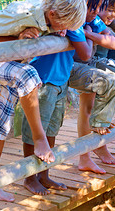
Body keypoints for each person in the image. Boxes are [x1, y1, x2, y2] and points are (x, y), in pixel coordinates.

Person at [0, 0, 87, 202]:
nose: (66, 30)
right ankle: (39, 138)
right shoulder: (22, 15)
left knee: (1, 119)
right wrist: (17, 39)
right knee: (29, 76)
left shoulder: (50, 12)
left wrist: (57, 28)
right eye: (66, 25)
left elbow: (55, 27)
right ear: (52, 13)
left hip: (8, 61)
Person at [21, 15, 93, 195]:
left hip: (61, 80)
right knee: (34, 131)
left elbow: (80, 54)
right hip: (44, 80)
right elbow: (85, 54)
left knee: (52, 130)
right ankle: (29, 178)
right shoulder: (58, 22)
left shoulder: (77, 25)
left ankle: (44, 174)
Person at [67, 0, 115, 174]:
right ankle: (86, 155)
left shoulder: (92, 21)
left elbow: (113, 42)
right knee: (87, 109)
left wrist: (90, 34)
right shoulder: (73, 18)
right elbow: (86, 53)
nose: (97, 12)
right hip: (73, 68)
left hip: (87, 65)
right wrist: (92, 37)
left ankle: (99, 133)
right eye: (97, 7)